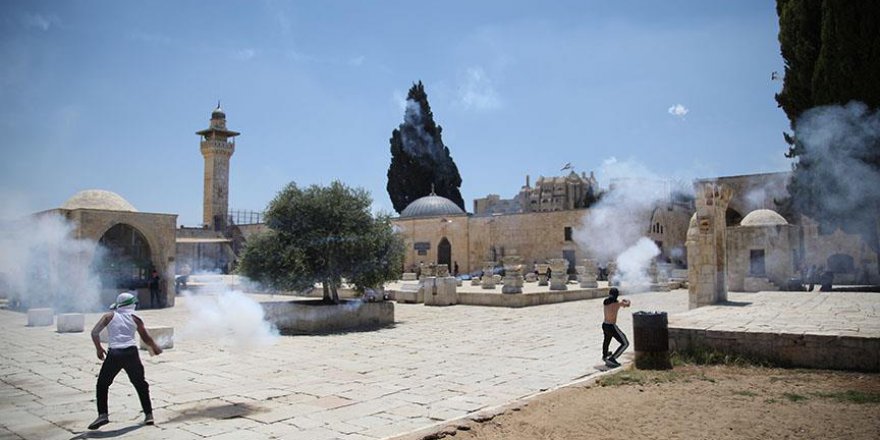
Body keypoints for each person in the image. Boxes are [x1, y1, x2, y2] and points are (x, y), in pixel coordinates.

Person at [88, 292, 162, 430]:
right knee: (141, 384)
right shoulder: (136, 318)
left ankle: (103, 415)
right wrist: (155, 347)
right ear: (132, 305)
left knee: (102, 384)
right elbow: (145, 338)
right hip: (131, 353)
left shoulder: (109, 316)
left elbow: (94, 332)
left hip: (114, 354)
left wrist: (99, 349)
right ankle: (149, 415)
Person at [602, 287, 631, 368]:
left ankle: (605, 356)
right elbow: (627, 304)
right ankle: (612, 358)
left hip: (604, 325)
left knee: (606, 340)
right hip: (611, 326)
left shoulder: (605, 302)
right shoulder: (617, 304)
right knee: (625, 343)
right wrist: (627, 300)